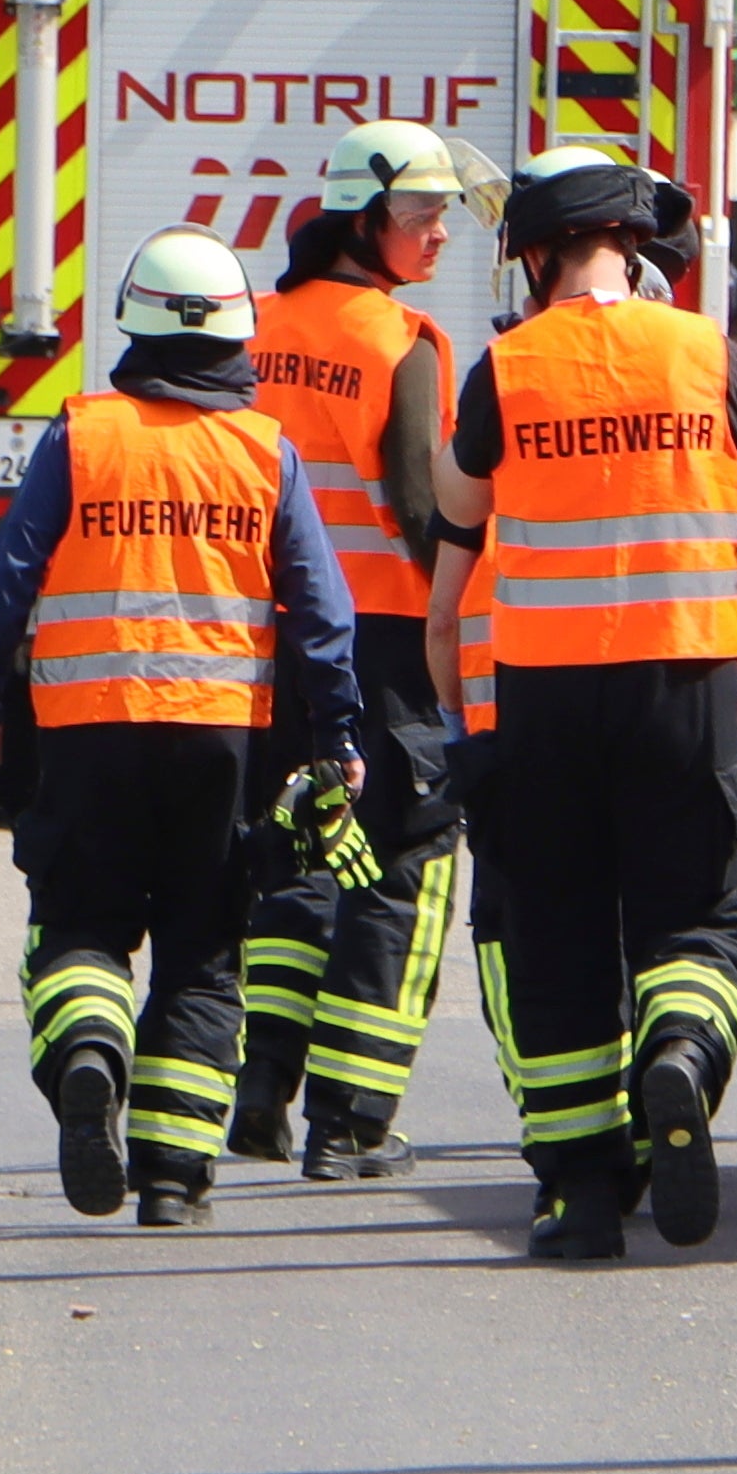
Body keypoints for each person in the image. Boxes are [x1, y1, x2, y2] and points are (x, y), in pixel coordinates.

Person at [437, 145, 737, 1266]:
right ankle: (684, 1049)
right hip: (688, 688)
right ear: (634, 244)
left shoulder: (504, 371)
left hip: (543, 702)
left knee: (554, 941)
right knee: (704, 913)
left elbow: (451, 579)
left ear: (538, 253)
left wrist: (465, 731)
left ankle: (581, 1196)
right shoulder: (705, 352)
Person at [0, 228, 355, 1227]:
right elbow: (323, 613)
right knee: (201, 949)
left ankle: (92, 1050)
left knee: (81, 923)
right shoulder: (268, 452)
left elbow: (5, 581)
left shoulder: (81, 434)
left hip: (86, 734)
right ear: (236, 336)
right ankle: (172, 1179)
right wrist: (337, 734)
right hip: (222, 746)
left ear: (133, 324)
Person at [231, 123, 475, 1180]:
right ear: (365, 220)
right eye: (424, 218)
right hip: (384, 640)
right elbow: (423, 509)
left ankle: (260, 1086)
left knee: (299, 849)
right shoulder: (398, 340)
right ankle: (351, 1121)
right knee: (402, 866)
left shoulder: (255, 328)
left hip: (273, 636)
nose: (439, 238)